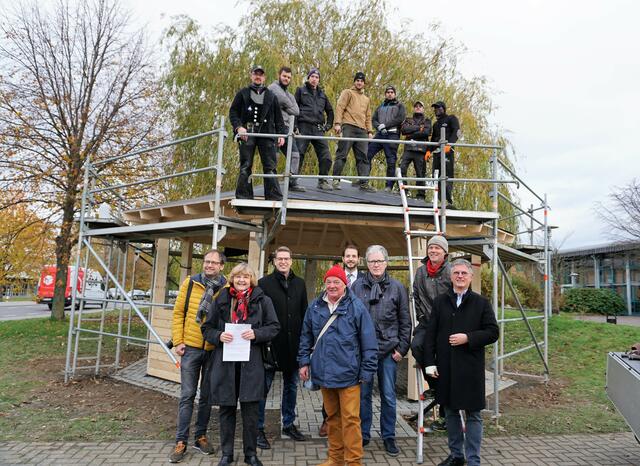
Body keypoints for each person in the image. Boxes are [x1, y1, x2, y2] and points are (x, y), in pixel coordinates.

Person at [298, 264, 378, 466]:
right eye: (329, 282)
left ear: (344, 284)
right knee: (332, 418)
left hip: (349, 375)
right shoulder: (315, 307)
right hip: (324, 373)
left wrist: (367, 371)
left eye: (336, 282)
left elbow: (369, 342)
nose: (332, 286)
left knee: (351, 420)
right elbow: (306, 337)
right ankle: (335, 458)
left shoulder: (356, 307)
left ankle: (353, 461)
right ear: (324, 284)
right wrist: (303, 362)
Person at [422, 259, 499, 466]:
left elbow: (493, 332)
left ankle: (473, 459)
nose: (460, 276)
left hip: (470, 369)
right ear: (451, 276)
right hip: (446, 367)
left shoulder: (481, 303)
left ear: (470, 277)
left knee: (473, 414)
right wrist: (430, 363)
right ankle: (457, 456)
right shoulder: (440, 302)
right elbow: (430, 335)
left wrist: (468, 338)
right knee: (450, 412)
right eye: (456, 273)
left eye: (464, 273)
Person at [201, 263, 280, 466]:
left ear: (251, 279)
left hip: (252, 364)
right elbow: (207, 328)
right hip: (225, 364)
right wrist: (219, 335)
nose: (242, 280)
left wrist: (257, 334)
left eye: (246, 277)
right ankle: (227, 453)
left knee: (251, 411)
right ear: (232, 279)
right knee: (226, 409)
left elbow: (274, 327)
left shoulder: (263, 300)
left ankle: (250, 454)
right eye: (238, 277)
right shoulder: (222, 299)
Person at [351, 245, 411, 456]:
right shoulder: (356, 287)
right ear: (366, 264)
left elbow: (405, 321)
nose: (376, 265)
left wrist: (401, 349)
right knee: (363, 396)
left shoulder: (397, 287)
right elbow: (350, 321)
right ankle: (364, 434)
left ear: (386, 262)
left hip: (389, 352)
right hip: (364, 353)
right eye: (372, 261)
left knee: (388, 395)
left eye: (379, 261)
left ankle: (389, 436)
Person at [169, 249, 227, 463]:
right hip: (191, 347)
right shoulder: (190, 283)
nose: (209, 265)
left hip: (213, 349)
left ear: (222, 266)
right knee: (187, 395)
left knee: (207, 397)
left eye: (214, 263)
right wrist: (179, 341)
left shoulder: (225, 288)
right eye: (206, 261)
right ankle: (181, 440)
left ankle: (200, 436)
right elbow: (178, 313)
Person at [256, 246, 308, 448]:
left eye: (287, 258)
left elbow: (304, 315)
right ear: (274, 261)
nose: (283, 262)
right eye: (280, 259)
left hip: (293, 346)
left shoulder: (300, 284)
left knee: (291, 388)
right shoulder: (264, 284)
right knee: (263, 389)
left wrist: (306, 345)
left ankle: (288, 424)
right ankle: (258, 428)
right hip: (270, 346)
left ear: (291, 260)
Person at [319, 244, 362, 437]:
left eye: (354, 256)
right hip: (328, 361)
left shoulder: (361, 288)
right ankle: (335, 455)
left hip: (350, 362)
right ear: (343, 258)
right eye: (348, 256)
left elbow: (365, 333)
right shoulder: (318, 302)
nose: (351, 259)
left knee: (351, 415)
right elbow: (308, 334)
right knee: (332, 412)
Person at [411, 235, 452, 431]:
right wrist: (421, 315)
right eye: (430, 248)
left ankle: (445, 406)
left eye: (437, 248)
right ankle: (434, 386)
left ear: (445, 252)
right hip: (427, 321)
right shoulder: (420, 272)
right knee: (417, 345)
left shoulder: (451, 271)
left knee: (443, 357)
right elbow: (416, 295)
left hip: (446, 323)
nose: (433, 250)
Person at [229, 65, 286, 201]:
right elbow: (233, 112)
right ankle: (244, 196)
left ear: (264, 77)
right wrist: (238, 127)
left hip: (267, 134)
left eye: (261, 74)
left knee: (270, 166)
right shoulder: (243, 93)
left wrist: (281, 134)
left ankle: (274, 197)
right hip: (247, 133)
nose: (258, 76)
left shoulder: (271, 96)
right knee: (245, 165)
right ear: (251, 75)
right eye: (256, 74)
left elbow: (279, 117)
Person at [332, 72, 375, 193]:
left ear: (364, 83)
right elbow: (340, 107)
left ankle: (364, 182)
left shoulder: (366, 99)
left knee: (363, 157)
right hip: (349, 126)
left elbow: (368, 116)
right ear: (354, 82)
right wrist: (337, 123)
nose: (359, 83)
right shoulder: (348, 92)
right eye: (357, 80)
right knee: (342, 153)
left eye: (361, 81)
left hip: (362, 130)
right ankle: (336, 179)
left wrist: (370, 131)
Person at [294, 67, 334, 191]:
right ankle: (293, 181)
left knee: (326, 156)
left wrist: (328, 126)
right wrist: (294, 126)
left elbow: (330, 111)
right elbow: (294, 109)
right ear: (308, 78)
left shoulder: (322, 94)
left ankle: (322, 180)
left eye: (317, 77)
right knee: (298, 154)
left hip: (318, 128)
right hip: (303, 126)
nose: (314, 79)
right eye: (312, 77)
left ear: (319, 80)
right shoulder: (300, 91)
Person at [268, 66, 305, 192]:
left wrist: (284, 106)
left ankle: (291, 181)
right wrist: (287, 105)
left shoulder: (289, 94)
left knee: (295, 154)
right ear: (279, 75)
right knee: (275, 155)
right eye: (284, 76)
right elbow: (290, 106)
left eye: (289, 77)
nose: (286, 79)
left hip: (286, 128)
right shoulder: (273, 88)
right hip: (273, 126)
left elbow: (296, 111)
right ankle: (272, 183)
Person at [366, 86, 406, 192]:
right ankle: (364, 180)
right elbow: (374, 119)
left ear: (395, 94)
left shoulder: (400, 105)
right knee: (367, 154)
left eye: (392, 92)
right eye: (388, 92)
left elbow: (400, 119)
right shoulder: (380, 106)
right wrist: (378, 126)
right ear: (385, 94)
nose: (389, 94)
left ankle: (389, 186)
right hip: (380, 134)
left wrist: (385, 125)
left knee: (391, 160)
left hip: (392, 134)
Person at [429, 101, 460, 206]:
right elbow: (433, 140)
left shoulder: (451, 118)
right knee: (435, 176)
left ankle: (448, 201)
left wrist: (449, 144)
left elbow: (457, 132)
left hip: (447, 152)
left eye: (439, 107)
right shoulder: (435, 124)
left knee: (447, 175)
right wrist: (429, 150)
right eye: (435, 108)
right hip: (437, 153)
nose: (436, 110)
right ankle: (441, 201)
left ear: (444, 108)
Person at [400, 101, 432, 200]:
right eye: (416, 106)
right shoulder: (408, 119)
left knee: (420, 173)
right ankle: (404, 191)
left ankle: (421, 195)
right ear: (414, 108)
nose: (418, 108)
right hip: (408, 149)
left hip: (421, 150)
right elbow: (404, 130)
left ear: (423, 109)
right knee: (401, 168)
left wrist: (411, 134)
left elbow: (426, 132)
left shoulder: (427, 121)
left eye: (420, 106)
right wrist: (419, 128)